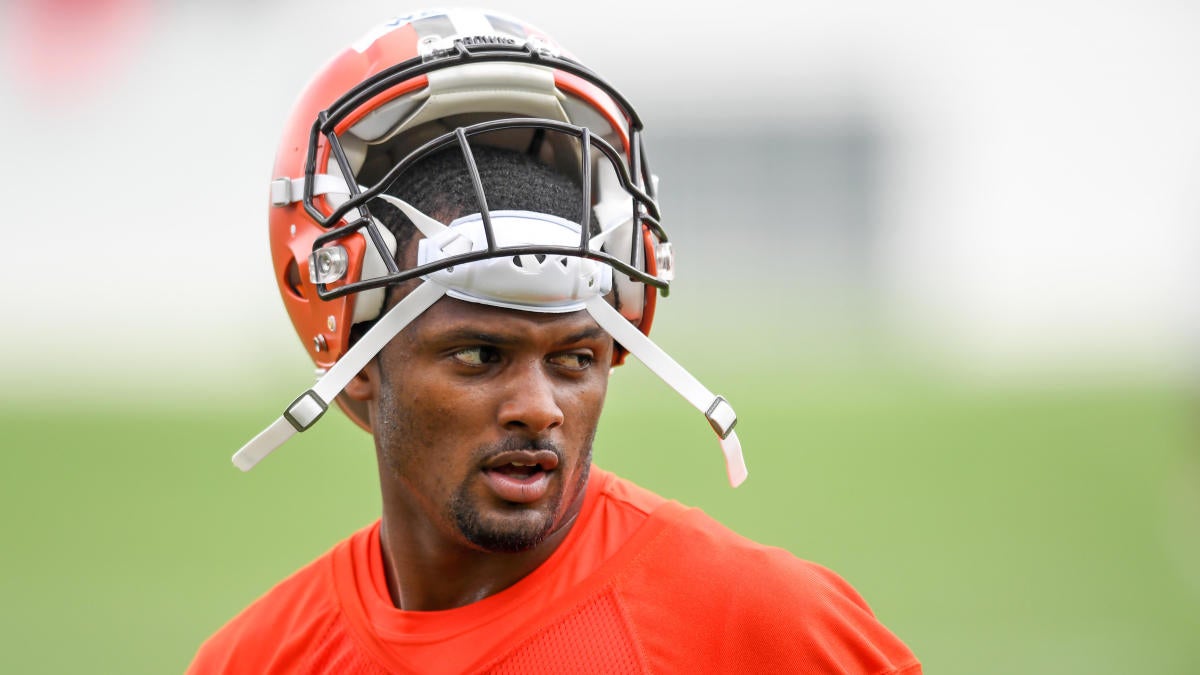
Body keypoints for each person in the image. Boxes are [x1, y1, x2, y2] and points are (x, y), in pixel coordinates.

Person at [188, 10, 920, 674]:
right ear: (357, 364)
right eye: (480, 354)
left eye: (573, 358)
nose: (539, 409)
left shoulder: (762, 623)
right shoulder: (255, 659)